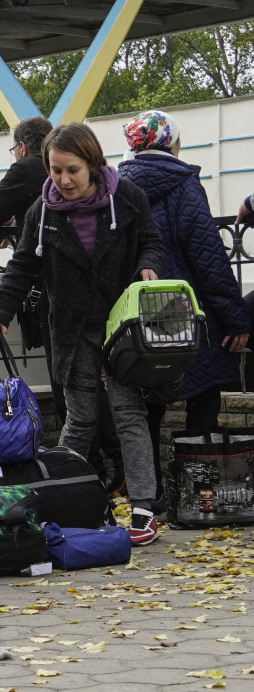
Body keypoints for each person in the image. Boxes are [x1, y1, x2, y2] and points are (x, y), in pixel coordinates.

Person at [0, 122, 166, 546]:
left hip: (124, 330)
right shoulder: (41, 212)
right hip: (73, 329)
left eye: (72, 171)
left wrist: (149, 265)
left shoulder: (127, 197)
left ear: (93, 164)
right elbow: (22, 266)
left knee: (127, 413)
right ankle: (60, 499)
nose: (63, 180)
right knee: (79, 416)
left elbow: (152, 241)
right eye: (55, 170)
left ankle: (143, 506)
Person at [117, 110, 250, 494]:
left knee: (148, 403)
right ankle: (199, 488)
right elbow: (207, 257)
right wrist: (235, 318)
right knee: (204, 394)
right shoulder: (184, 184)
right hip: (189, 312)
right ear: (172, 142)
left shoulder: (116, 187)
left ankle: (150, 491)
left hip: (139, 316)